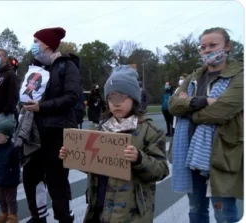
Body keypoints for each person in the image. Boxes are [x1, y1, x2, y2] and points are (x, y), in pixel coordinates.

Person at [60, 65, 169, 222]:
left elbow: (161, 170)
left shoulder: (149, 130)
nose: (116, 103)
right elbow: (94, 165)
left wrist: (139, 159)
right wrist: (72, 155)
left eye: (122, 97)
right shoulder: (101, 129)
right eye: (111, 98)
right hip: (99, 208)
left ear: (134, 98)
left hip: (129, 215)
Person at [169, 27, 243, 223]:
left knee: (224, 214)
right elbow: (173, 105)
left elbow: (222, 111)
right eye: (203, 47)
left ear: (227, 47)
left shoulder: (240, 76)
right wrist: (203, 101)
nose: (207, 50)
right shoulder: (194, 76)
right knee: (196, 211)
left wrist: (189, 111)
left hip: (221, 156)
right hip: (189, 154)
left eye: (213, 45)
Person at [22, 27, 81, 223]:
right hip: (35, 132)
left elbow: (73, 97)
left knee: (57, 182)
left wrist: (42, 107)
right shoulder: (35, 68)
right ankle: (38, 217)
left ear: (46, 44)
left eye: (36, 42)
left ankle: (64, 218)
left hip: (58, 132)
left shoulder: (66, 65)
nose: (34, 45)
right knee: (31, 177)